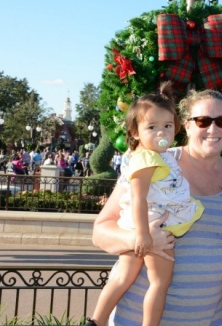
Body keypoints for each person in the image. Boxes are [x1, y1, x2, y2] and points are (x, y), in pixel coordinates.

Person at [91, 89, 222, 325]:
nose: (213, 129)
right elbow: (100, 232)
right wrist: (142, 239)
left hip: (211, 319)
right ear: (186, 126)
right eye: (203, 121)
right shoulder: (153, 163)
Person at [86, 83, 204, 326]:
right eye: (152, 127)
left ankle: (95, 320)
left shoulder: (157, 156)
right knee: (159, 283)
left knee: (123, 276)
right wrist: (143, 235)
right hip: (150, 223)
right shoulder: (147, 158)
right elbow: (138, 197)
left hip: (142, 222)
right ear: (136, 131)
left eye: (167, 126)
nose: (161, 133)